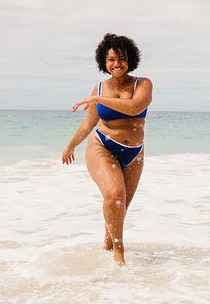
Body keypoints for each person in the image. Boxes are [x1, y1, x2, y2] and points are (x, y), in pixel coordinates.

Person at [62, 33, 153, 265]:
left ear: (129, 60)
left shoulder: (142, 84)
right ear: (104, 62)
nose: (116, 64)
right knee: (114, 197)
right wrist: (71, 146)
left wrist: (100, 100)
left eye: (121, 58)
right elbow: (89, 122)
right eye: (111, 59)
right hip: (102, 145)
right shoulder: (99, 88)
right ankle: (119, 255)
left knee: (119, 206)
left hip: (134, 152)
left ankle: (107, 245)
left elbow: (134, 107)